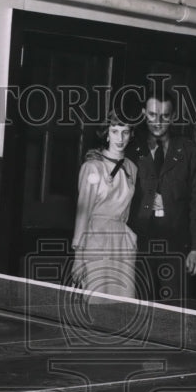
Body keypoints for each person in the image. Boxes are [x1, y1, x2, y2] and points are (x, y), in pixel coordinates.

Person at [128, 86, 196, 301]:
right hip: (139, 243)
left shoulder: (189, 151)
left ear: (173, 117)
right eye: (153, 115)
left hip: (175, 244)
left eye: (164, 116)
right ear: (144, 113)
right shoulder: (131, 148)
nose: (157, 121)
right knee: (139, 305)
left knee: (173, 309)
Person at [72, 113, 139, 299]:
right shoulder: (92, 167)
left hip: (121, 242)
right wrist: (78, 258)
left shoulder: (132, 168)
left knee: (122, 303)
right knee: (96, 300)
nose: (120, 138)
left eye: (125, 132)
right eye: (115, 131)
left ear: (131, 135)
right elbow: (83, 213)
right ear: (107, 134)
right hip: (95, 240)